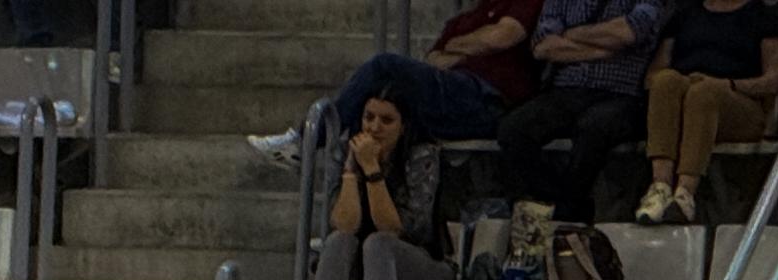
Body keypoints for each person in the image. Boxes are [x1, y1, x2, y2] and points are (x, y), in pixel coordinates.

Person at [246, 0, 536, 159]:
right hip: (451, 95)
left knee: (384, 66)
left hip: (488, 98)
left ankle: (307, 141)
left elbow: (506, 35)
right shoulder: (464, 20)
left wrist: (458, 49)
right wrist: (478, 44)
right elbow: (435, 60)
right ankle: (347, 194)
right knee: (380, 103)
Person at [495, 0, 664, 223]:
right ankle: (557, 202)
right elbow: (543, 46)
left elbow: (630, 31)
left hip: (622, 93)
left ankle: (568, 212)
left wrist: (570, 34)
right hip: (566, 90)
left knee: (594, 126)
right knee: (513, 129)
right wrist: (602, 50)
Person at [634, 0, 778, 222]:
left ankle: (685, 193)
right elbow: (654, 73)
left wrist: (729, 84)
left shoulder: (764, 15)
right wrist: (683, 83)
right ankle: (660, 187)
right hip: (686, 93)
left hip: (739, 102)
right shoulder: (685, 12)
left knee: (704, 92)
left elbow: (774, 80)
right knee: (665, 81)